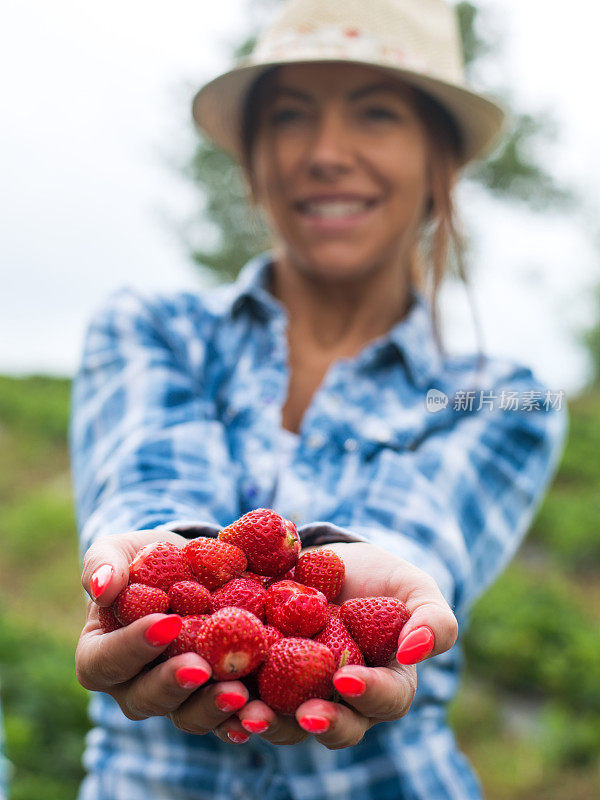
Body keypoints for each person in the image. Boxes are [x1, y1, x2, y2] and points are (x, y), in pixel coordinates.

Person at [71, 1, 568, 798]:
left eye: (375, 115)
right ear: (253, 158)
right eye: (292, 117)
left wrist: (348, 596)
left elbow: (410, 550)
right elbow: (150, 490)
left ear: (440, 158)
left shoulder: (501, 399)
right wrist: (157, 560)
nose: (328, 153)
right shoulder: (151, 329)